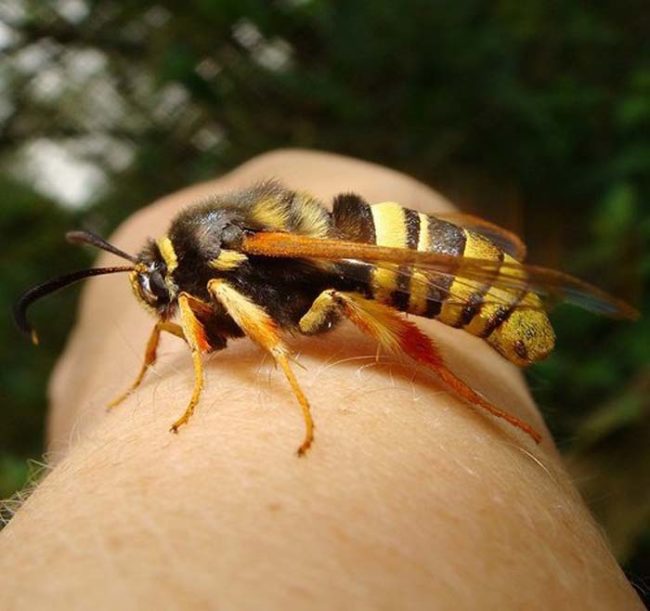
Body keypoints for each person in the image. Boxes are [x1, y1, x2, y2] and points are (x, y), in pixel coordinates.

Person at [0, 150, 642, 609]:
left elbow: (242, 293)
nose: (161, 307)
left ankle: (465, 391)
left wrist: (265, 380)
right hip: (364, 225)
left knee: (347, 300)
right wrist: (138, 379)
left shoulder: (225, 267)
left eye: (156, 287)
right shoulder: (204, 283)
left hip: (424, 265)